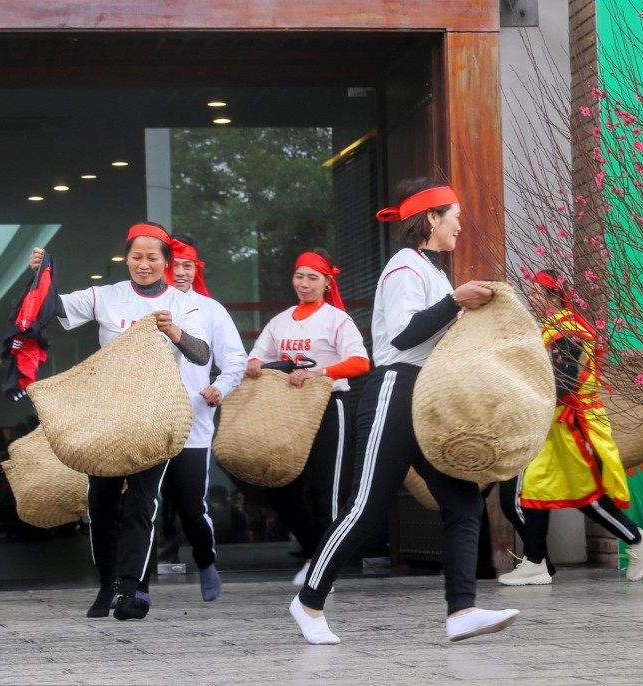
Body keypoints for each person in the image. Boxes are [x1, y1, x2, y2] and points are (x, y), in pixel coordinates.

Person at [290, 178, 519, 645]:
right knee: (366, 507)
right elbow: (402, 335)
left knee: (463, 502)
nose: (460, 224)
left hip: (427, 397)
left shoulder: (433, 272)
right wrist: (456, 301)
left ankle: (462, 611)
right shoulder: (404, 266)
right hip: (394, 392)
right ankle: (309, 601)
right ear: (431, 218)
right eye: (453, 215)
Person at [28, 222, 211, 619]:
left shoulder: (183, 303)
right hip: (106, 419)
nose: (143, 265)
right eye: (136, 257)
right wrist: (42, 273)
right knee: (103, 503)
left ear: (166, 262)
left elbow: (201, 355)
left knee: (141, 504)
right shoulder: (106, 296)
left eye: (152, 258)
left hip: (154, 418)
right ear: (126, 258)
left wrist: (175, 332)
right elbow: (52, 307)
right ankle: (107, 584)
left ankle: (133, 590)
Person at [498, 272, 643, 587]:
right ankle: (535, 562)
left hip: (574, 424)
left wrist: (528, 397)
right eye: (529, 292)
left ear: (555, 296)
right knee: (534, 491)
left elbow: (565, 380)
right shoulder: (554, 328)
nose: (531, 298)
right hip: (556, 425)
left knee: (587, 495)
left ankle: (637, 538)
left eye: (537, 292)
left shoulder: (565, 329)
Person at [245, 247, 370, 586]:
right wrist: (254, 364)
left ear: (327, 282)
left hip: (331, 407)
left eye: (313, 277)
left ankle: (322, 570)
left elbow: (360, 362)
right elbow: (258, 358)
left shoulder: (336, 319)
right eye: (299, 276)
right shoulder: (280, 320)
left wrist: (321, 373)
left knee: (326, 494)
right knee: (281, 489)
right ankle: (317, 551)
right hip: (289, 411)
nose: (304, 283)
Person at [163, 232, 247, 601]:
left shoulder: (211, 310)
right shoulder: (139, 306)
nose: (181, 272)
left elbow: (236, 360)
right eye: (174, 264)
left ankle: (205, 563)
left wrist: (221, 387)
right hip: (139, 425)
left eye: (188, 265)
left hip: (192, 424)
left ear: (197, 269)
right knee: (137, 506)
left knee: (191, 507)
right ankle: (133, 582)